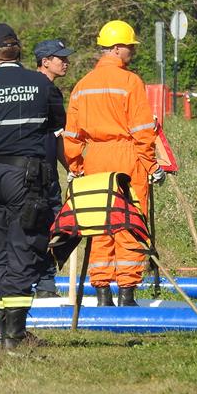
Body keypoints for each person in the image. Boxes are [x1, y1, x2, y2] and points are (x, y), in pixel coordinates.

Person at [0, 24, 64, 349]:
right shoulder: (41, 85)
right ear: (18, 51)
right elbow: (58, 123)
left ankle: (0, 333)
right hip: (27, 176)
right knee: (24, 244)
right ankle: (16, 335)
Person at [63, 20, 165, 307]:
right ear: (118, 48)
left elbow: (71, 135)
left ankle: (102, 293)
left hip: (94, 158)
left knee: (100, 223)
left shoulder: (82, 86)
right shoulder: (130, 82)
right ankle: (127, 292)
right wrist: (153, 166)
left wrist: (75, 167)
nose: (132, 51)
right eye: (130, 47)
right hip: (127, 157)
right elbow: (143, 131)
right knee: (129, 223)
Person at [32, 38, 74, 297]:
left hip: (26, 171)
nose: (66, 63)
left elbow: (57, 135)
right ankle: (45, 284)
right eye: (61, 59)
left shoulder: (27, 88)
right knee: (56, 224)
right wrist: (71, 165)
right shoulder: (49, 92)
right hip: (43, 174)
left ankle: (36, 282)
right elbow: (59, 137)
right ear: (45, 62)